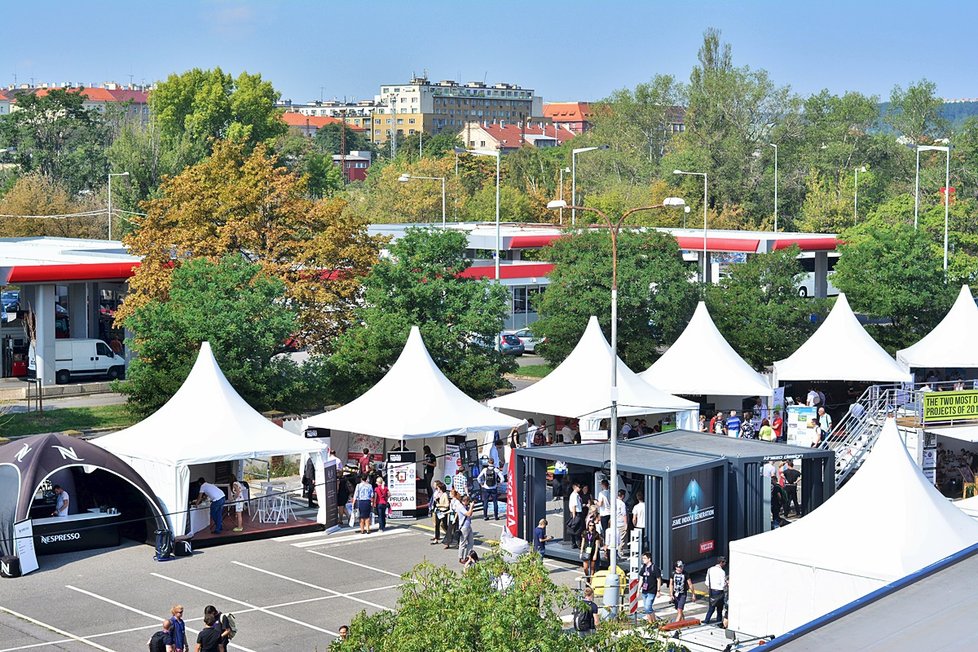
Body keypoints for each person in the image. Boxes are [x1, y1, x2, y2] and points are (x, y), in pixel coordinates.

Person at [638, 551, 661, 624]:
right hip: (644, 590)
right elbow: (641, 579)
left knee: (648, 607)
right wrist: (638, 590)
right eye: (643, 558)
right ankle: (651, 622)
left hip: (652, 590)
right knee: (646, 608)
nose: (643, 560)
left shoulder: (654, 568)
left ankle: (654, 622)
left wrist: (658, 591)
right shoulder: (644, 567)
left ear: (649, 559)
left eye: (644, 558)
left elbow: (658, 579)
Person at [704, 556, 727, 625]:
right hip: (719, 591)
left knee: (711, 607)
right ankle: (719, 623)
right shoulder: (722, 572)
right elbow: (723, 584)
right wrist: (726, 583)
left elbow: (706, 582)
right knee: (719, 609)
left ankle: (706, 620)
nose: (725, 564)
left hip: (711, 591)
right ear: (721, 563)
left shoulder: (710, 569)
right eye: (724, 562)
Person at [455, 495, 475, 563]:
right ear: (464, 501)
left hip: (468, 525)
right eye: (468, 501)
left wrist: (470, 507)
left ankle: (467, 556)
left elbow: (470, 514)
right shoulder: (461, 507)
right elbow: (468, 514)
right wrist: (471, 507)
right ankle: (461, 558)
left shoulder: (465, 506)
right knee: (463, 543)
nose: (469, 502)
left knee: (471, 542)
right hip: (464, 527)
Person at [568, 482, 584, 548]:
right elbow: (574, 506)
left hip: (578, 512)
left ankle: (575, 543)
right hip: (576, 513)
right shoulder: (574, 495)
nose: (579, 488)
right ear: (575, 487)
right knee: (576, 528)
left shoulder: (577, 495)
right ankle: (576, 543)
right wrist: (574, 516)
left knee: (577, 528)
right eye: (578, 487)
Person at [614, 489, 628, 555]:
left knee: (616, 537)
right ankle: (619, 552)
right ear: (623, 496)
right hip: (621, 522)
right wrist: (626, 524)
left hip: (615, 522)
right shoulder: (622, 504)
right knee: (621, 538)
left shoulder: (614, 502)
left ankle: (615, 551)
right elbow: (624, 514)